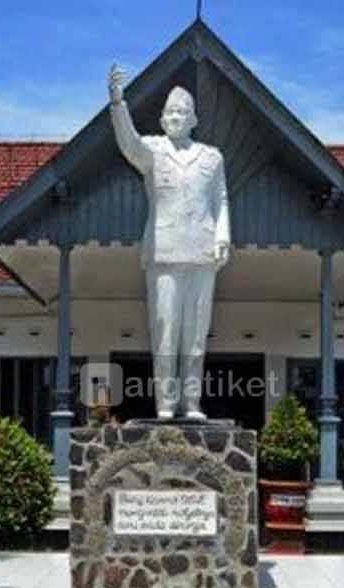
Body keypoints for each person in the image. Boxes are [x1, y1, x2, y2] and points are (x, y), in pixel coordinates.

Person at [108, 63, 230, 419]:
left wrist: (223, 236)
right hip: (163, 250)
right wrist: (118, 103)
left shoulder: (212, 156)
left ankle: (191, 403)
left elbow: (221, 199)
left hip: (202, 252)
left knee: (195, 333)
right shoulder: (153, 151)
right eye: (169, 112)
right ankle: (165, 403)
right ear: (162, 120)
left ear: (193, 119)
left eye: (182, 112)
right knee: (164, 329)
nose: (175, 116)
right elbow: (127, 142)